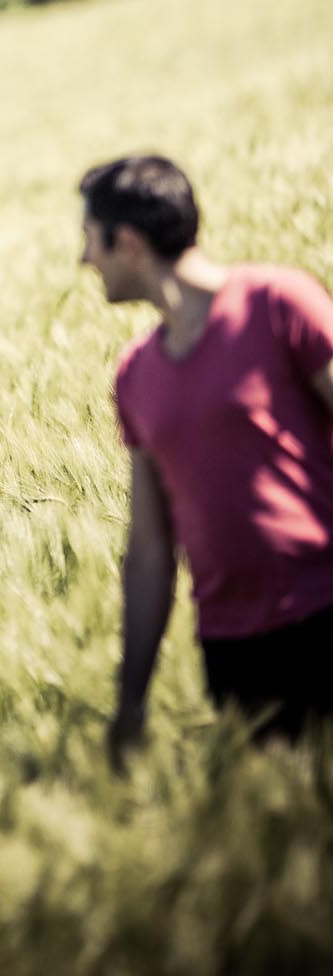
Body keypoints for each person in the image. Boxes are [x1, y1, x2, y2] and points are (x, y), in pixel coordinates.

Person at [79, 154, 333, 757]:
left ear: (130, 243)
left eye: (90, 240)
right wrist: (131, 698)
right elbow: (148, 549)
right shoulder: (135, 376)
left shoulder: (279, 303)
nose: (84, 259)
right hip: (232, 646)